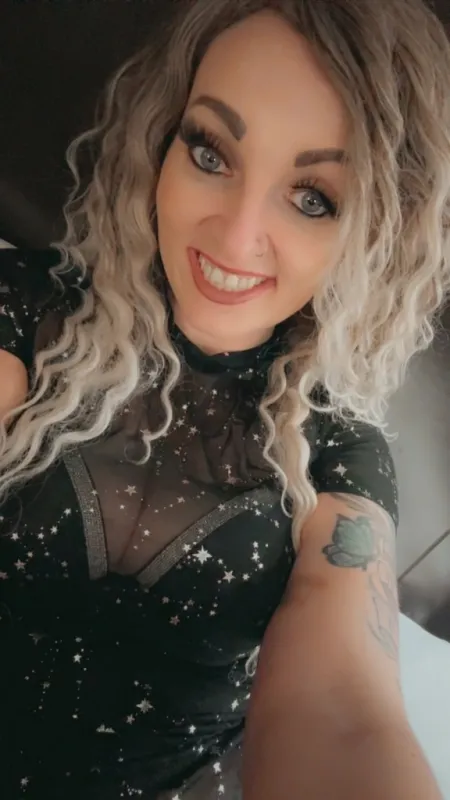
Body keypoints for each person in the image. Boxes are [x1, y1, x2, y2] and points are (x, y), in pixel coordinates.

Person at [0, 0, 449, 797]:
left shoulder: (337, 453)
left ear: (373, 230)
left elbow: (344, 712)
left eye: (313, 198)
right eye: (211, 153)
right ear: (162, 141)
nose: (235, 237)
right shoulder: (25, 314)